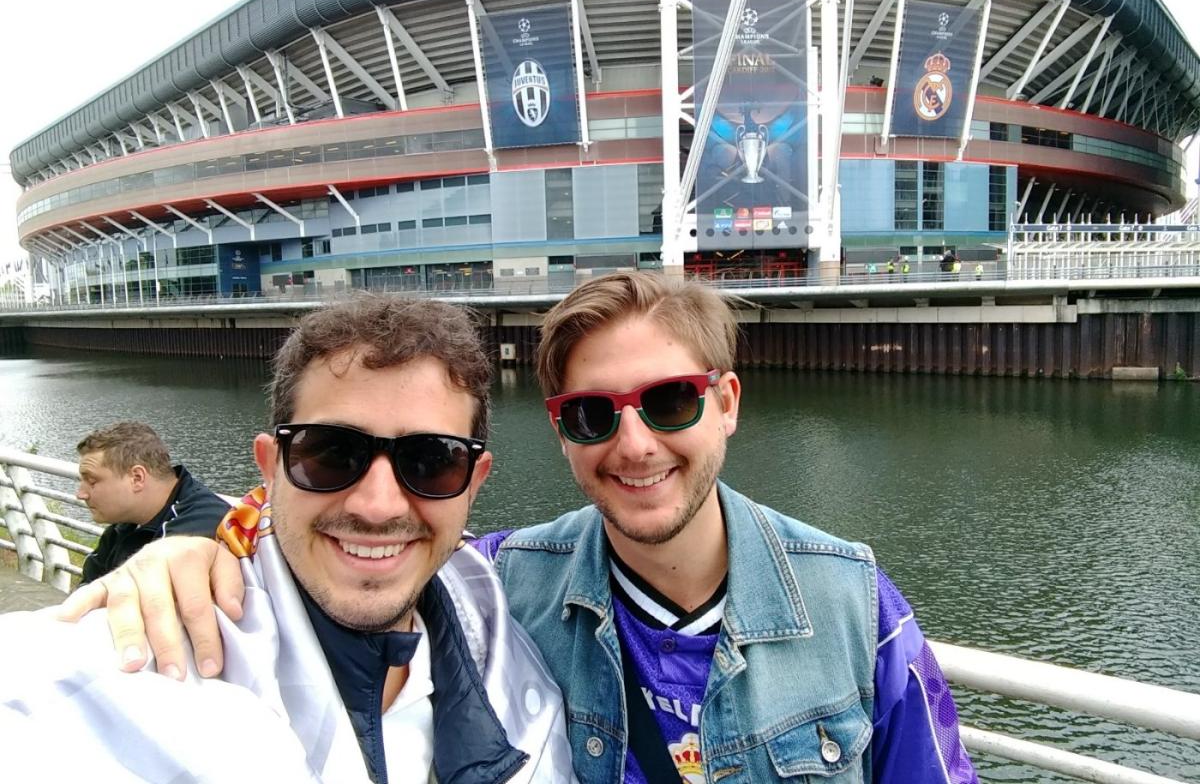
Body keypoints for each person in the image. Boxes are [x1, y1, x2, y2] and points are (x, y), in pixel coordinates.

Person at [66, 274, 977, 783]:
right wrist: (192, 548)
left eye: (668, 403)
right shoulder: (498, 585)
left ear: (727, 402)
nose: (633, 444)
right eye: (591, 415)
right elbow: (362, 545)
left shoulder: (855, 605)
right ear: (559, 431)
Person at [1, 296, 574, 783]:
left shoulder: (502, 607)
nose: (378, 505)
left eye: (431, 462)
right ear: (270, 468)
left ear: (472, 485)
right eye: (330, 454)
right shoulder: (139, 665)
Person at [75, 421, 231, 583]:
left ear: (137, 478)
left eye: (92, 481)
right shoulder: (127, 523)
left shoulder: (202, 525)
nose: (81, 494)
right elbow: (88, 585)